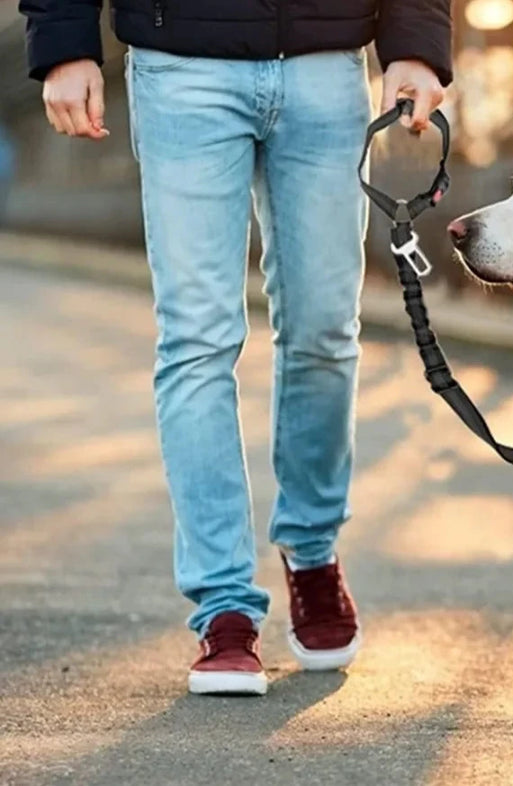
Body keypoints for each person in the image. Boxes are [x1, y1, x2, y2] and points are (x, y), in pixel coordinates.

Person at [20, 0, 451, 696]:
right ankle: (223, 605)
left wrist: (418, 42)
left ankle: (311, 551)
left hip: (325, 65)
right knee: (197, 339)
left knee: (324, 332)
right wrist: (64, 41)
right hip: (180, 64)